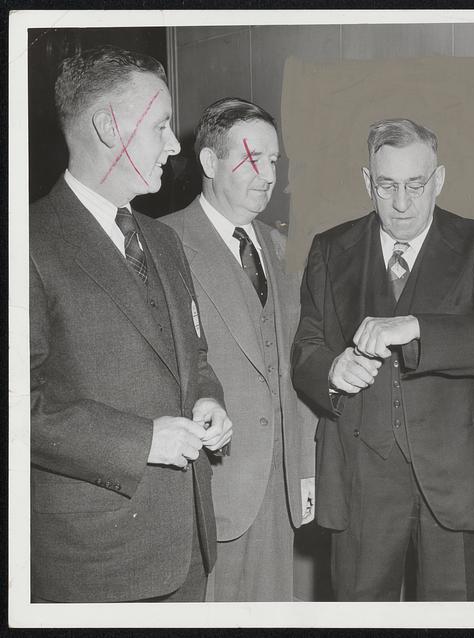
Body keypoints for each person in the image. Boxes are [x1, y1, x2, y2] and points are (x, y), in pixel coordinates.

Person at [29, 45, 232, 602]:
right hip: (94, 564)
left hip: (187, 547)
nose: (174, 144)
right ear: (108, 125)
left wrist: (207, 400)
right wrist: (142, 440)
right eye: (162, 125)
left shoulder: (162, 239)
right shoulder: (28, 243)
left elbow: (195, 357)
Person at [291, 118, 474, 601]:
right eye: (387, 185)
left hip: (453, 477)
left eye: (416, 185)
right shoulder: (330, 249)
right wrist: (331, 369)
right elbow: (306, 346)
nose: (401, 203)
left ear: (439, 180)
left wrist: (414, 326)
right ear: (367, 182)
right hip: (360, 478)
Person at [162, 98, 317, 601]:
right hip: (211, 484)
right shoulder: (163, 241)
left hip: (281, 484)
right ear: (209, 163)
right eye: (252, 160)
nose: (268, 175)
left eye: (274, 162)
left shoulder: (282, 247)